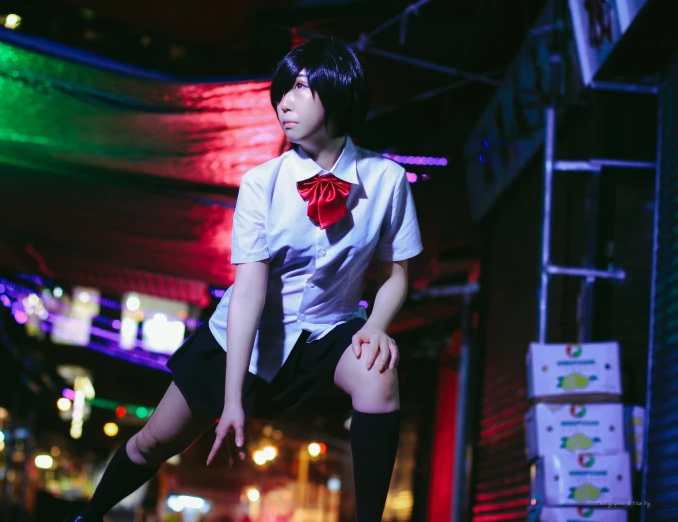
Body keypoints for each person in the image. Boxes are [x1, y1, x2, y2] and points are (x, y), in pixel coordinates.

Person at [65, 37, 422, 522]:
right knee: (154, 441)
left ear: (338, 90)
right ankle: (90, 515)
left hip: (328, 330)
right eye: (281, 91)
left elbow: (396, 274)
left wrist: (375, 326)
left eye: (299, 88)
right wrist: (231, 400)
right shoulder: (262, 182)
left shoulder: (387, 181)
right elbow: (250, 292)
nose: (283, 102)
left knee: (378, 375)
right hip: (244, 339)